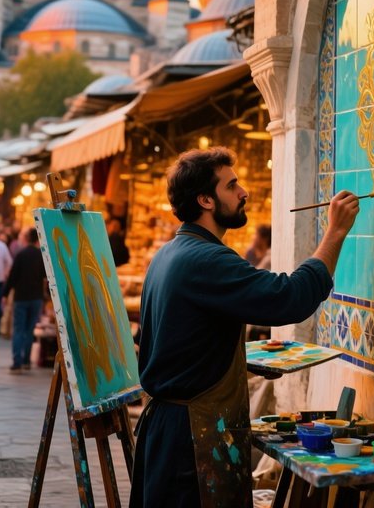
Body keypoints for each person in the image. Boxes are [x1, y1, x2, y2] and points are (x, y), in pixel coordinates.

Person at [128, 147, 359, 508]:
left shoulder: (172, 252)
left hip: (174, 432)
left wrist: (238, 365)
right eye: (231, 185)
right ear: (205, 200)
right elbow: (289, 298)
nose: (243, 192)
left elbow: (184, 343)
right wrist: (336, 232)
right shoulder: (204, 260)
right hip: (190, 441)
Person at [3, 226, 46, 372]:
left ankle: (17, 363)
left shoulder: (21, 255)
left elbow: (13, 276)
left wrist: (5, 293)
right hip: (36, 298)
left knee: (19, 329)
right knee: (29, 329)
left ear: (27, 238)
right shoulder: (41, 256)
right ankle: (27, 361)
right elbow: (45, 278)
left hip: (21, 297)